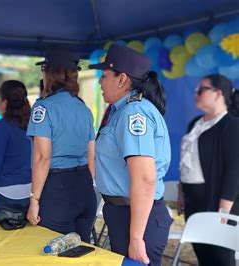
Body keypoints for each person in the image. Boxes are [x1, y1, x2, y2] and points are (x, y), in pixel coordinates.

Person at [89, 44, 172, 265]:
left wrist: (136, 238)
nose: (99, 82)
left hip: (137, 218)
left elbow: (145, 178)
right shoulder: (121, 111)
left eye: (104, 76)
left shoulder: (134, 113)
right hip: (124, 213)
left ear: (122, 79)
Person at [26, 47, 97, 243]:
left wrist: (34, 199)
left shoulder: (43, 107)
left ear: (50, 73)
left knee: (55, 256)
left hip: (57, 190)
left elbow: (43, 157)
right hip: (84, 187)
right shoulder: (83, 108)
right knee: (80, 254)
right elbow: (92, 155)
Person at [177, 74, 239, 266]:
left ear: (218, 94)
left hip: (217, 202)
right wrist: (181, 193)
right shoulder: (195, 122)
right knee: (202, 254)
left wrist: (223, 211)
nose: (197, 93)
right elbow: (187, 162)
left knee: (220, 257)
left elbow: (234, 169)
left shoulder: (232, 125)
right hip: (193, 200)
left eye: (202, 89)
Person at [0, 80, 32, 209]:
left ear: (5, 102)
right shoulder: (33, 125)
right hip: (32, 192)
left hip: (6, 193)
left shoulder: (2, 127)